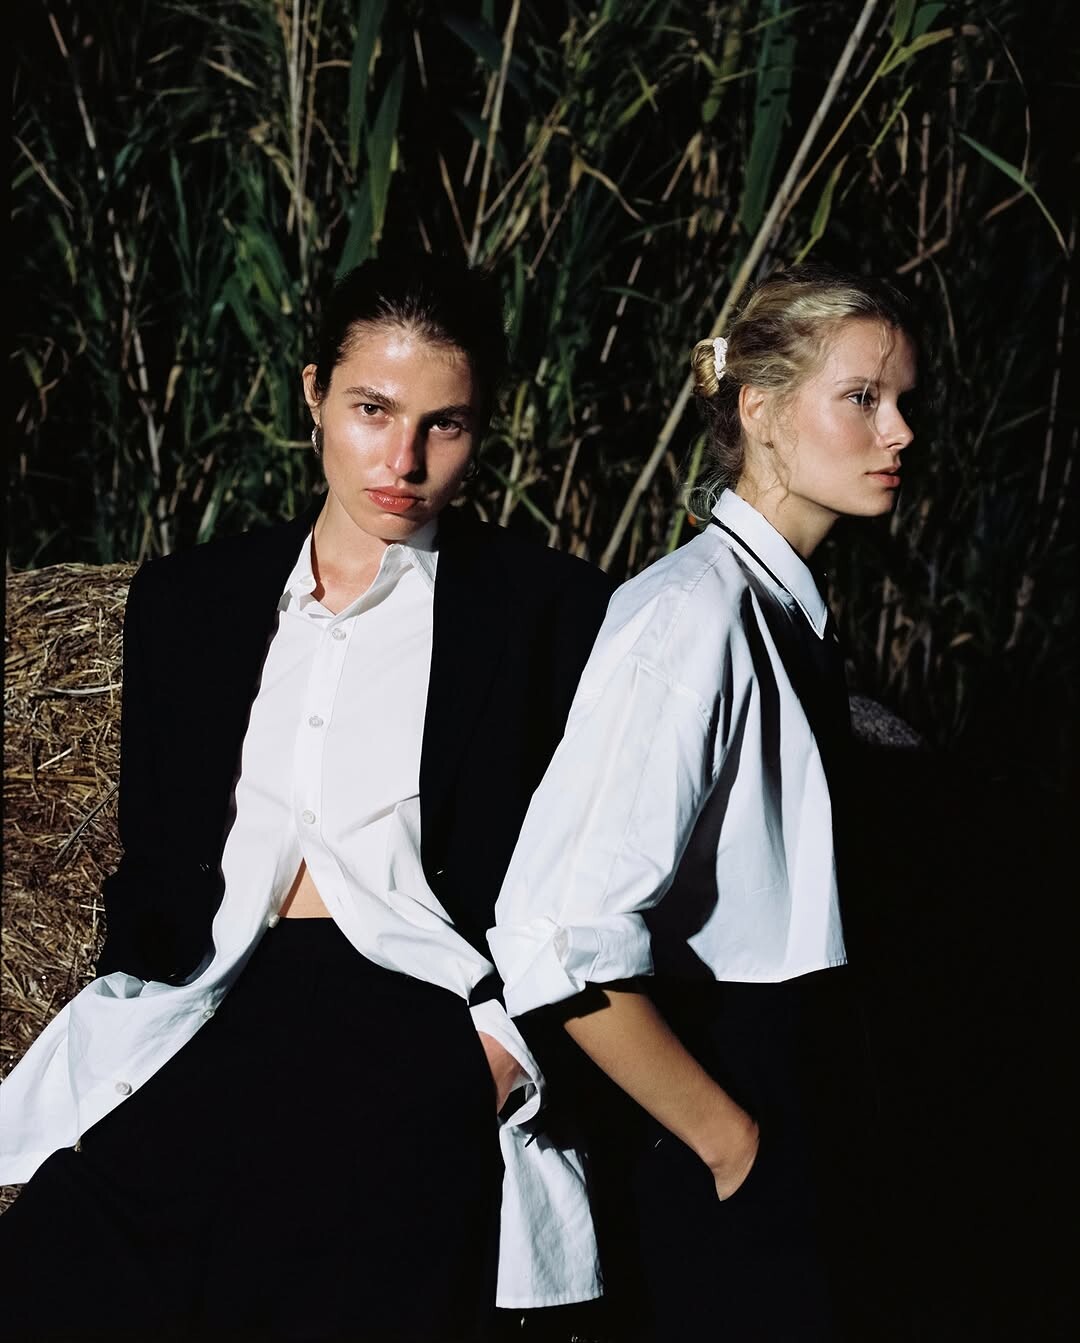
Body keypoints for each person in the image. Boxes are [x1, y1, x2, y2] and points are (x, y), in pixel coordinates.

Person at [0, 253, 614, 1342]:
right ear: (314, 394)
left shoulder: (545, 611)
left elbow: (600, 868)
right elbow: (154, 853)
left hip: (422, 1011)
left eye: (445, 424)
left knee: (321, 1275)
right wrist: (137, 984)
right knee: (57, 1261)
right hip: (221, 992)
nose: (404, 461)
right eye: (372, 410)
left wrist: (497, 1057)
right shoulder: (190, 601)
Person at [489, 264, 919, 1341]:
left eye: (903, 400)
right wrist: (735, 1146)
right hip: (723, 1111)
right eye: (862, 398)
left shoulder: (777, 613)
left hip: (801, 1094)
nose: (900, 431)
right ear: (761, 411)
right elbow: (555, 935)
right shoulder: (691, 615)